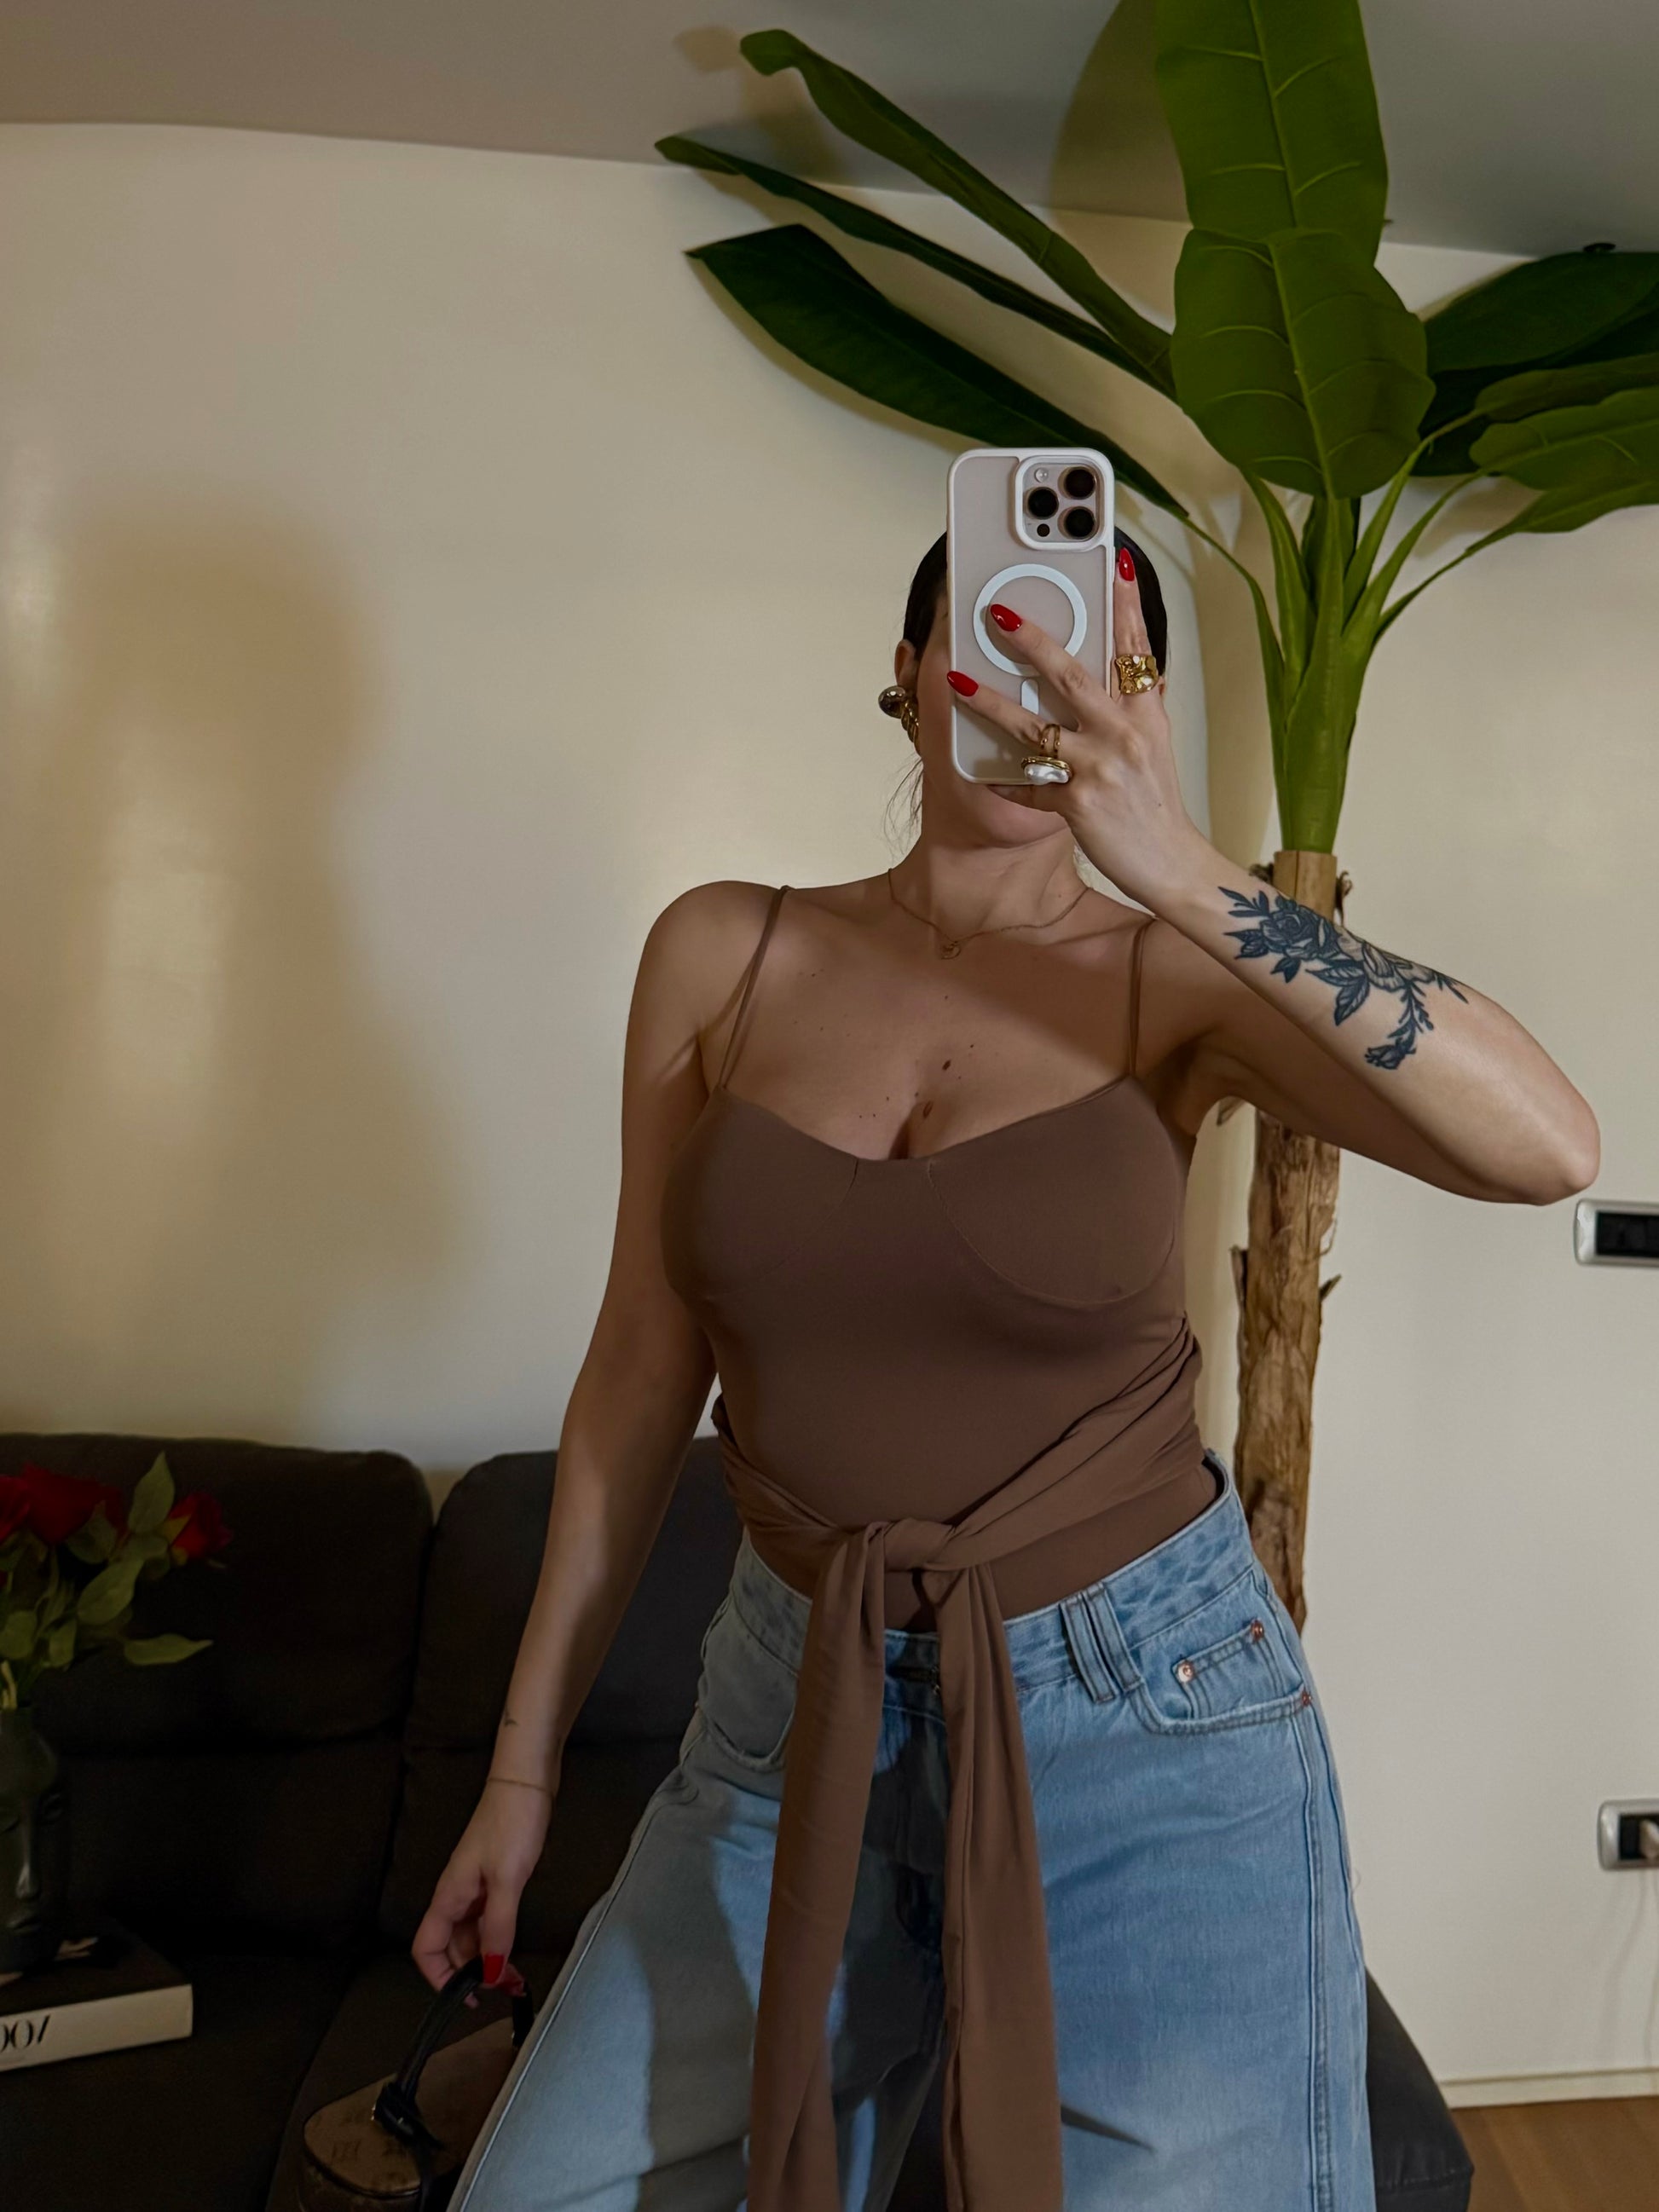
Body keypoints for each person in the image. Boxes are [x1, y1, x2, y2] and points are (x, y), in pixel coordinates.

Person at [419, 526, 1598, 2211]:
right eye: (1002, 633)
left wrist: (1177, 863)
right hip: (787, 1701)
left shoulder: (1176, 973)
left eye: (1105, 665)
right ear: (907, 674)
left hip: (1147, 1722)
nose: (1047, 690)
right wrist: (520, 1773)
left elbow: (1546, 1146)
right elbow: (634, 1364)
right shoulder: (722, 950)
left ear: (1147, 707)